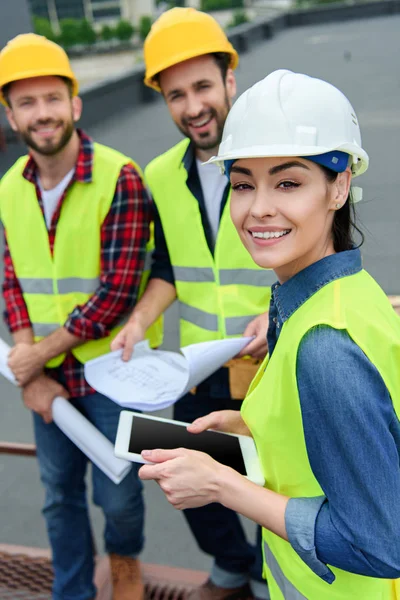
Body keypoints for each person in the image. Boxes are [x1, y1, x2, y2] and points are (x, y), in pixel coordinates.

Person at [137, 69, 400, 599]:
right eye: (242, 184)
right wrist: (256, 428)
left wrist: (222, 485)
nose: (258, 208)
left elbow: (380, 545)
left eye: (288, 182)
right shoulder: (341, 291)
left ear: (340, 184)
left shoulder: (325, 344)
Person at [112, 8, 272, 600]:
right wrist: (139, 320)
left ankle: (264, 577)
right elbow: (169, 268)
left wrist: (276, 310)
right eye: (176, 94)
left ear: (231, 80)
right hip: (202, 367)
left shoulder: (271, 161)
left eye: (203, 86)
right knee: (169, 458)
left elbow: (317, 251)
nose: (192, 106)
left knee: (272, 478)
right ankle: (233, 564)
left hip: (271, 362)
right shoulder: (159, 173)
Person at [0, 33, 161, 600]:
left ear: (75, 104)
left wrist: (32, 360)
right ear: (11, 114)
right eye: (26, 102)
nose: (41, 113)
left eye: (51, 98)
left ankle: (124, 562)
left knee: (118, 494)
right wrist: (32, 371)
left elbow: (117, 294)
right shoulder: (7, 190)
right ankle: (72, 590)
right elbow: (13, 283)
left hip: (112, 371)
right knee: (57, 491)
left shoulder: (121, 178)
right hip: (48, 377)